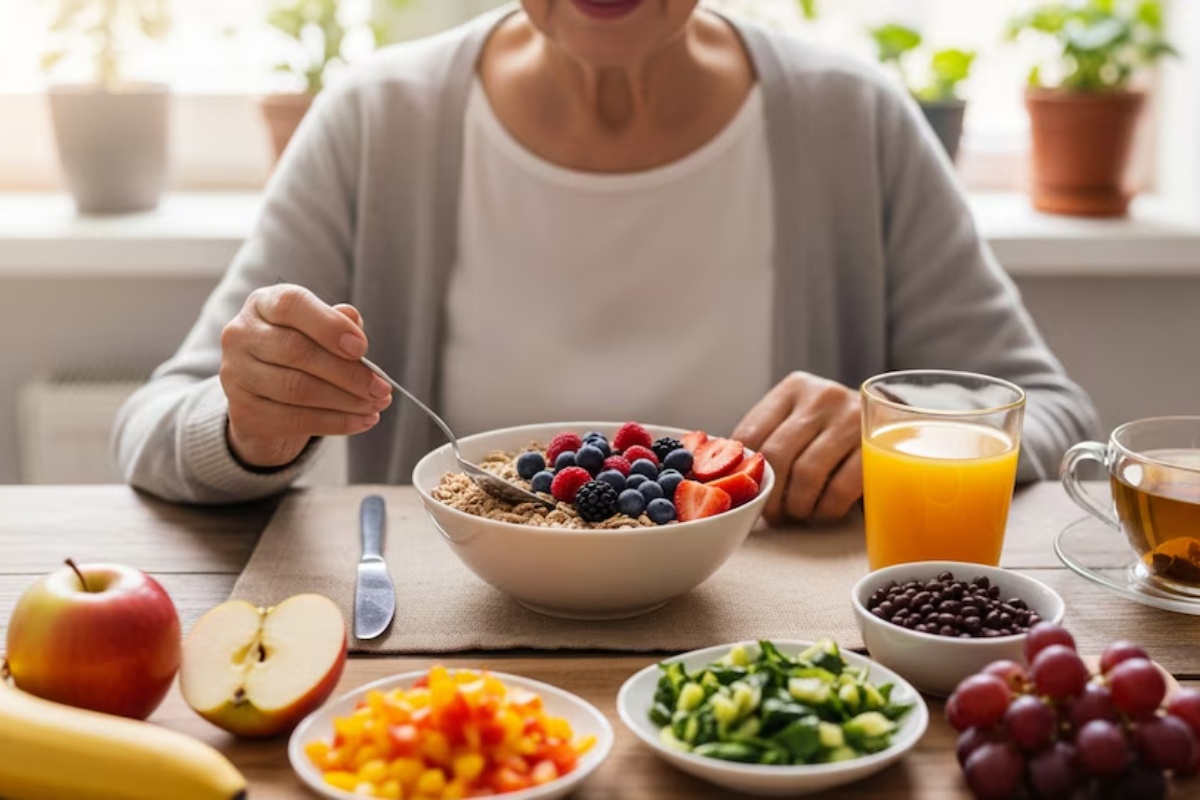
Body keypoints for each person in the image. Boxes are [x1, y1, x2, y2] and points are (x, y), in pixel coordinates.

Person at [113, 0, 1100, 523]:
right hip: (446, 665)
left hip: (772, 661)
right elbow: (159, 426)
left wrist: (897, 427)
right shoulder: (379, 119)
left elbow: (1047, 409)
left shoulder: (852, 118)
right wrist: (252, 424)